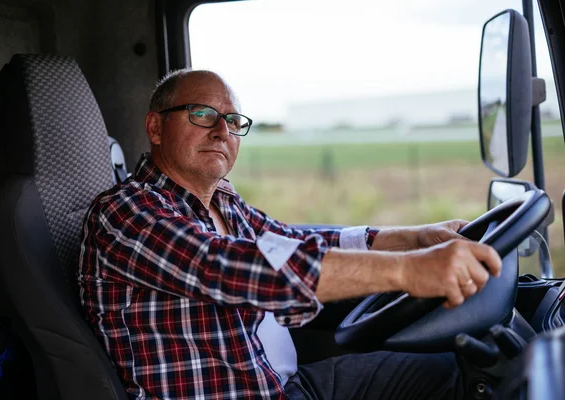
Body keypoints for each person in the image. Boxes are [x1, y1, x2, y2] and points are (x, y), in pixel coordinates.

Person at [77, 69, 502, 400]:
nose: (222, 130)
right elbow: (229, 267)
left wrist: (412, 238)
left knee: (457, 369)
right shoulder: (126, 211)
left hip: (283, 386)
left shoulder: (222, 200)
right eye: (202, 114)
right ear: (155, 128)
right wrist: (409, 271)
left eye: (231, 120)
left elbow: (291, 241)